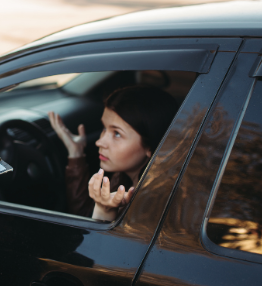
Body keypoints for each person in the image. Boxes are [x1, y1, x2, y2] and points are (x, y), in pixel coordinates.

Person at [48, 85, 179, 221]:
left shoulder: (152, 208)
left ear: (150, 147)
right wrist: (76, 153)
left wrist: (105, 214)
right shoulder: (123, 177)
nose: (100, 142)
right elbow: (85, 216)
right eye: (104, 128)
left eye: (117, 133)